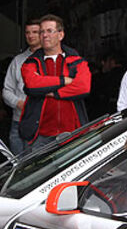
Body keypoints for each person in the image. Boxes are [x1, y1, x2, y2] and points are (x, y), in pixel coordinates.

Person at [19, 14, 91, 148]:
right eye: (42, 32)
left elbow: (83, 87)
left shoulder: (77, 61)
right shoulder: (30, 63)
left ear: (60, 35)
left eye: (49, 31)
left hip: (73, 133)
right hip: (40, 136)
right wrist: (64, 80)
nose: (45, 35)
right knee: (39, 169)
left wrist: (52, 93)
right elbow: (32, 84)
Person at [2, 19, 41, 154]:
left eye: (35, 32)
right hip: (19, 121)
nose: (31, 36)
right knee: (18, 166)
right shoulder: (18, 61)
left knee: (40, 167)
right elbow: (7, 91)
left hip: (43, 124)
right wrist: (19, 103)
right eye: (27, 33)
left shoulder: (53, 58)